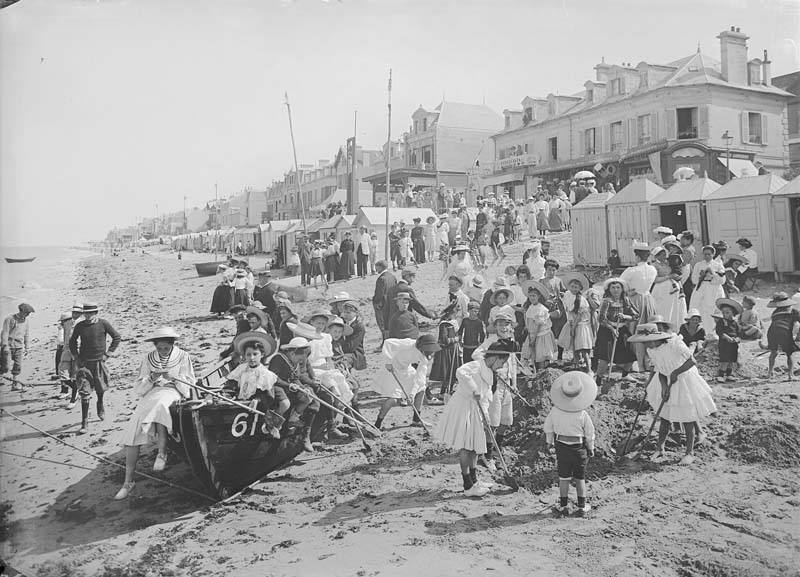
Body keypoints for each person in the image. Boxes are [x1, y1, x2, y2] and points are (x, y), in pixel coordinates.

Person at [115, 327, 195, 500]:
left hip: (172, 392)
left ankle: (162, 452)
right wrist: (151, 378)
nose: (163, 352)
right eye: (159, 349)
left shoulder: (183, 356)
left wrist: (174, 379)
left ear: (173, 345)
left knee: (160, 405)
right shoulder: (148, 358)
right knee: (133, 429)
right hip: (151, 394)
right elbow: (139, 389)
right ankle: (128, 482)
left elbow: (188, 387)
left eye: (166, 348)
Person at [435, 341, 516, 498]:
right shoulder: (477, 365)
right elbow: (460, 372)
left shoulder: (489, 371)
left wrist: (485, 415)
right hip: (464, 408)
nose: (501, 366)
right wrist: (474, 389)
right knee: (467, 446)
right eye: (501, 362)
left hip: (477, 410)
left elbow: (487, 395)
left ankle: (474, 480)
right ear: (493, 358)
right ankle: (467, 485)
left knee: (475, 446)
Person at [629, 323, 717, 465]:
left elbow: (692, 361)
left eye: (646, 342)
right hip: (667, 381)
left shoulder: (675, 345)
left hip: (683, 381)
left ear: (654, 338)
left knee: (688, 418)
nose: (645, 345)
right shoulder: (652, 350)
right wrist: (664, 387)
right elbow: (660, 371)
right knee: (664, 416)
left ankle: (689, 453)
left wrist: (676, 372)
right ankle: (660, 447)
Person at [544, 371, 596, 515]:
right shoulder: (582, 414)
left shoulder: (555, 411)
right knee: (580, 478)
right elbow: (589, 433)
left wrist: (549, 442)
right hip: (579, 448)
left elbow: (548, 427)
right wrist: (590, 448)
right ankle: (581, 506)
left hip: (561, 447)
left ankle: (564, 505)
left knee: (564, 477)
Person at [69, 302, 121, 433]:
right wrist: (76, 356)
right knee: (84, 392)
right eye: (86, 313)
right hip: (84, 364)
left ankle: (100, 404)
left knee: (100, 388)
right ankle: (84, 422)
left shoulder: (103, 323)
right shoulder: (80, 326)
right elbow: (72, 341)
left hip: (99, 362)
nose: (88, 316)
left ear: (96, 313)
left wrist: (108, 354)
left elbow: (116, 337)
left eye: (90, 313)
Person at [374, 334, 441, 430]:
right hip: (392, 368)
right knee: (394, 398)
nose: (430, 352)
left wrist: (412, 394)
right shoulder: (409, 343)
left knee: (421, 389)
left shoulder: (425, 358)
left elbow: (420, 378)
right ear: (421, 346)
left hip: (406, 369)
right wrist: (388, 362)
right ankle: (377, 424)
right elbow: (388, 343)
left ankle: (416, 420)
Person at [269, 336, 319, 452]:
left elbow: (295, 378)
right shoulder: (278, 359)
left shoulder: (295, 363)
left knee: (307, 397)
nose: (301, 362)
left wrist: (302, 388)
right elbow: (272, 378)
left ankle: (294, 418)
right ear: (292, 353)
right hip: (276, 385)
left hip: (288, 386)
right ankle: (273, 424)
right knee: (284, 403)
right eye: (300, 358)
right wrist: (289, 385)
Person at [621, 241, 657, 370]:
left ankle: (635, 361)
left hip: (635, 300)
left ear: (637, 256)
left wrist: (628, 291)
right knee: (647, 329)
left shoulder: (632, 271)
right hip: (648, 299)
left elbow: (620, 284)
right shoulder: (652, 269)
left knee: (634, 329)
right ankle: (646, 361)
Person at [594, 278, 638, 382]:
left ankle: (625, 375)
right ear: (608, 289)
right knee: (605, 357)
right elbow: (601, 319)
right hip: (607, 330)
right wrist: (612, 329)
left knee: (630, 354)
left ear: (622, 289)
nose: (615, 290)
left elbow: (636, 316)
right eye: (613, 287)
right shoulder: (606, 301)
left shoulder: (625, 301)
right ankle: (599, 380)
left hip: (622, 329)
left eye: (618, 287)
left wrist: (625, 317)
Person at [557, 273, 596, 374]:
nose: (574, 289)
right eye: (572, 287)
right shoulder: (568, 295)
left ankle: (589, 369)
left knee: (583, 348)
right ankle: (577, 366)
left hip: (581, 325)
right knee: (574, 347)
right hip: (572, 323)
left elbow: (579, 316)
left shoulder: (582, 300)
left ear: (580, 288)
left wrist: (573, 327)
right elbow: (568, 310)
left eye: (576, 287)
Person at [689, 245, 726, 338]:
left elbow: (722, 280)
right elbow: (694, 279)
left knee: (712, 309)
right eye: (705, 254)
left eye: (709, 254)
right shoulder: (698, 265)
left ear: (713, 254)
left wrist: (712, 274)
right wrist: (701, 277)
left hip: (714, 289)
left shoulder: (718, 265)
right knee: (700, 309)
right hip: (701, 288)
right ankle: (701, 331)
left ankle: (714, 332)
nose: (707, 256)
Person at [763, 292, 800, 380]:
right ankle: (790, 375)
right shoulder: (794, 312)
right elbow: (797, 324)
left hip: (772, 332)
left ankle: (770, 372)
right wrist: (796, 336)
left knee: (773, 352)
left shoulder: (775, 313)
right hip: (785, 332)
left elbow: (774, 324)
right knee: (789, 353)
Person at [429, 302, 462, 400]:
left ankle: (449, 390)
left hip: (453, 350)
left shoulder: (454, 322)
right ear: (452, 312)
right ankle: (443, 392)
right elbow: (444, 340)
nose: (457, 313)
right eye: (456, 311)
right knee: (447, 372)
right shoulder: (444, 324)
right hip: (446, 351)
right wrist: (455, 339)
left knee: (453, 372)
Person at [522, 280, 557, 370]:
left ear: (539, 296)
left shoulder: (541, 309)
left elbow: (538, 325)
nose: (532, 298)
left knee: (541, 355)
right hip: (532, 333)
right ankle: (534, 370)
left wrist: (533, 337)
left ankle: (541, 371)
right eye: (530, 296)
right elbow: (529, 320)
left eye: (534, 296)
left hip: (541, 334)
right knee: (531, 353)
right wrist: (529, 332)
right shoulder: (531, 307)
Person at [650, 246, 687, 330]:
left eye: (664, 255)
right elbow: (656, 280)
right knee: (663, 308)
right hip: (661, 288)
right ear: (656, 256)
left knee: (673, 308)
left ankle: (674, 327)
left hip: (671, 288)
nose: (664, 257)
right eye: (662, 255)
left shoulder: (667, 263)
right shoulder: (655, 266)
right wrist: (669, 276)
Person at [1, 303, 34, 391]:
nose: (28, 315)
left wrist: (27, 347)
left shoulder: (26, 321)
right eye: (27, 313)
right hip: (8, 345)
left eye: (29, 313)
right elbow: (5, 333)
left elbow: (26, 334)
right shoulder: (10, 319)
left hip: (19, 346)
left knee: (18, 366)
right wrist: (5, 346)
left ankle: (14, 384)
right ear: (21, 311)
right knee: (6, 367)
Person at [58, 304, 84, 406]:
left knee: (75, 375)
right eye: (74, 312)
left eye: (77, 313)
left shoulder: (83, 324)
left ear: (81, 314)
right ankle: (74, 388)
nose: (75, 314)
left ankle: (73, 398)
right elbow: (64, 335)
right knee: (62, 372)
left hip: (78, 351)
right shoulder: (67, 322)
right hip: (66, 350)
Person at [715, 298, 741, 383]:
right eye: (723, 313)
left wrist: (737, 338)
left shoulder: (735, 322)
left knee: (731, 360)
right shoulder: (721, 322)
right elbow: (719, 331)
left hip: (733, 344)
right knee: (725, 360)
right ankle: (721, 375)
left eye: (727, 312)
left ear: (732, 313)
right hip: (724, 344)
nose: (725, 314)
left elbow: (739, 332)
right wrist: (727, 337)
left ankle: (729, 374)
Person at [372, 260, 396, 343]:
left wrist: (375, 301)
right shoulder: (392, 276)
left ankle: (385, 342)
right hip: (391, 303)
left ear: (380, 267)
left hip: (382, 304)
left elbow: (379, 293)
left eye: (377, 267)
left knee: (382, 325)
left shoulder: (381, 278)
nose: (376, 269)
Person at [678, 231, 697, 303]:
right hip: (684, 268)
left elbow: (683, 262)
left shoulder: (688, 250)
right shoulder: (684, 247)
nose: (681, 240)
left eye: (683, 239)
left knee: (685, 287)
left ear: (688, 240)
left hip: (684, 269)